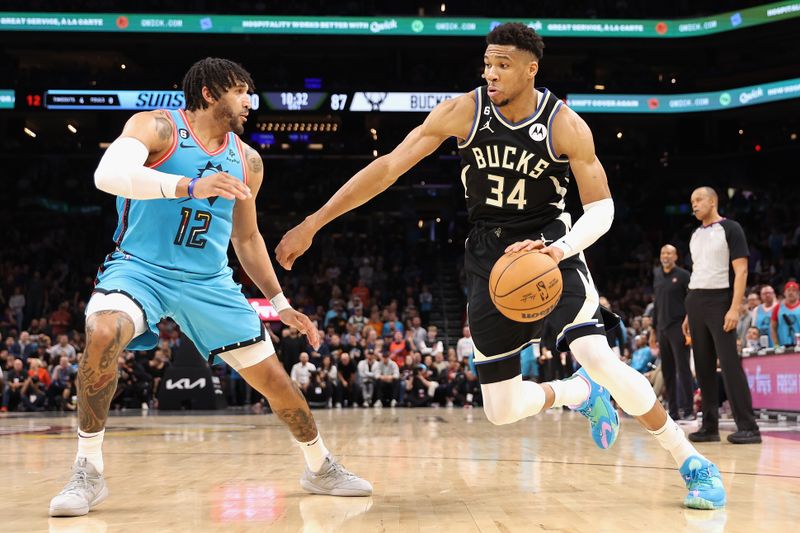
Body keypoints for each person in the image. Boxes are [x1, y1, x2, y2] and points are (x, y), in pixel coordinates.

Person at [276, 23, 725, 509]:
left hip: (548, 248)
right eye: (487, 64)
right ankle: (576, 393)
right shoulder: (464, 111)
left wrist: (559, 249)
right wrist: (314, 221)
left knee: (599, 357)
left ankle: (692, 462)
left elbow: (602, 209)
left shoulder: (564, 124)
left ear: (531, 69)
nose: (490, 73)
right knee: (501, 410)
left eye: (503, 65)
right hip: (488, 256)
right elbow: (389, 167)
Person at [48, 58, 371, 518]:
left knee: (276, 383)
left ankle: (320, 466)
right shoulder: (157, 128)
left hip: (208, 280)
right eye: (240, 91)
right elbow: (107, 175)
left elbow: (246, 238)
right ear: (208, 93)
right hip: (140, 268)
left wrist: (281, 304)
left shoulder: (247, 161)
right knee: (102, 333)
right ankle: (88, 469)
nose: (248, 101)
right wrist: (189, 185)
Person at [683, 186, 760, 445]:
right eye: (692, 201)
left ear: (713, 201)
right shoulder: (694, 234)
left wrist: (735, 308)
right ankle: (709, 427)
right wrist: (687, 313)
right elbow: (698, 272)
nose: (694, 205)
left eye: (699, 199)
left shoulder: (731, 229)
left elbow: (741, 272)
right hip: (695, 300)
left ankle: (749, 427)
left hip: (720, 300)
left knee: (729, 365)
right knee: (703, 368)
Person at [652, 244, 694, 420]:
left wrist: (689, 322)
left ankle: (689, 410)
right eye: (663, 253)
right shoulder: (657, 275)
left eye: (669, 253)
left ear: (676, 256)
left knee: (683, 369)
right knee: (667, 370)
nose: (665, 256)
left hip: (679, 328)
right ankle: (674, 411)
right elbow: (656, 305)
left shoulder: (684, 276)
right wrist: (653, 330)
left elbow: (691, 301)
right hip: (662, 329)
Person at [771, 280, 800, 347]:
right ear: (784, 293)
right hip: (783, 344)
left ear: (798, 293)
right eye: (788, 290)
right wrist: (776, 344)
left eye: (793, 290)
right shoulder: (777, 308)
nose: (791, 293)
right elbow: (773, 328)